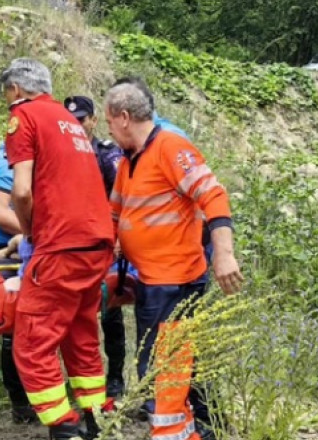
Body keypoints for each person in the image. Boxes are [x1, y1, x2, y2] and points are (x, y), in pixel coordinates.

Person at [104, 78, 243, 440]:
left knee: (163, 371)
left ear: (122, 117)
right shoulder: (127, 163)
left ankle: (180, 433)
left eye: (107, 121)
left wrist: (224, 254)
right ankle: (203, 429)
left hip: (175, 280)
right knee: (180, 365)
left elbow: (213, 196)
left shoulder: (171, 147)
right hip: (151, 280)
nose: (108, 130)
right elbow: (114, 217)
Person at [0, 58, 115, 440]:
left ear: (15, 90)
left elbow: (22, 190)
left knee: (32, 339)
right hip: (96, 243)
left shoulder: (24, 117)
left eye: (6, 96)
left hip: (60, 245)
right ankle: (94, 417)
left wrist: (31, 233)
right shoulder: (71, 123)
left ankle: (65, 429)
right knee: (79, 334)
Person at [63, 95, 127, 400]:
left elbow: (123, 198)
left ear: (93, 121)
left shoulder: (106, 155)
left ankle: (115, 377)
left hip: (105, 245)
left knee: (110, 313)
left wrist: (118, 240)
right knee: (73, 316)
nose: (77, 124)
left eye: (82, 119)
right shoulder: (61, 154)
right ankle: (80, 379)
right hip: (72, 247)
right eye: (71, 119)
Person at [0, 144, 36, 423]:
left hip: (27, 249)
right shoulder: (6, 162)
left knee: (32, 328)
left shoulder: (26, 161)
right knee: (15, 330)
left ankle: (34, 398)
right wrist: (41, 233)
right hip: (8, 252)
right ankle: (21, 404)